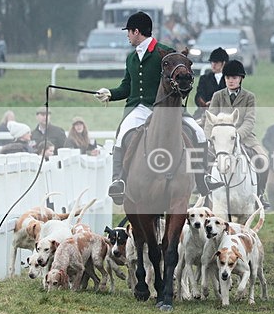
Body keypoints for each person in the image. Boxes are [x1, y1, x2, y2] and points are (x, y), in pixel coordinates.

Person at [94, 11, 219, 205]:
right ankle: (119, 180)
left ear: (136, 31)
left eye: (129, 31)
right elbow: (127, 87)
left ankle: (203, 177)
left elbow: (181, 78)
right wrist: (110, 93)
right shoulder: (131, 58)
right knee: (122, 134)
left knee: (199, 132)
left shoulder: (166, 53)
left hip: (167, 108)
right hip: (139, 108)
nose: (127, 35)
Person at [204, 59, 271, 210]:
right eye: (228, 77)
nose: (230, 81)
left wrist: (237, 135)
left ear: (240, 78)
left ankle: (260, 193)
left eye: (234, 78)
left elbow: (249, 120)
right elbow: (209, 120)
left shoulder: (249, 97)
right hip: (220, 139)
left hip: (245, 137)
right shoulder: (217, 96)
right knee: (202, 159)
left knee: (263, 159)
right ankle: (204, 191)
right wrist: (209, 138)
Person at [193, 47, 228, 120]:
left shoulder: (230, 79)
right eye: (212, 62)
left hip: (225, 113)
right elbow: (199, 95)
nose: (213, 65)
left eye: (216, 62)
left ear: (223, 63)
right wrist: (203, 103)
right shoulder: (204, 78)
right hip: (205, 112)